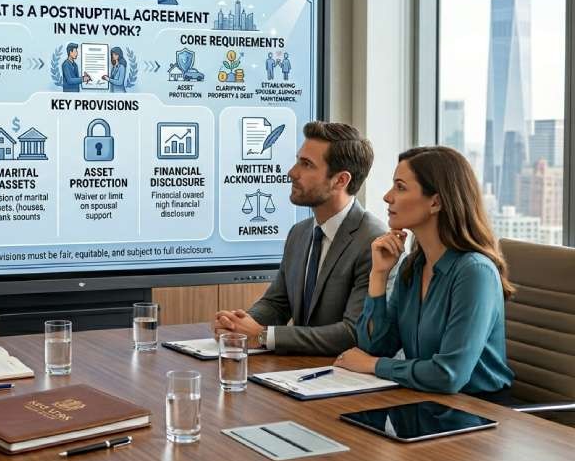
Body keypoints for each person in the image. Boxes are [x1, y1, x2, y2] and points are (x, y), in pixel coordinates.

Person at [335, 146, 515, 396]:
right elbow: (375, 347)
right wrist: (379, 275)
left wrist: (374, 366)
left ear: (436, 202)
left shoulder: (475, 272)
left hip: (478, 412)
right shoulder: (413, 266)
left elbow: (449, 375)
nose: (388, 197)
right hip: (426, 402)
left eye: (400, 187)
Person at [213, 121, 386, 355]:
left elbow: (352, 333)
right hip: (297, 373)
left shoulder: (373, 241)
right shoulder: (299, 233)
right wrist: (239, 326)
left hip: (343, 379)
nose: (292, 172)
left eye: (306, 164)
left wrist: (264, 336)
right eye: (298, 160)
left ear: (340, 180)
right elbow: (277, 303)